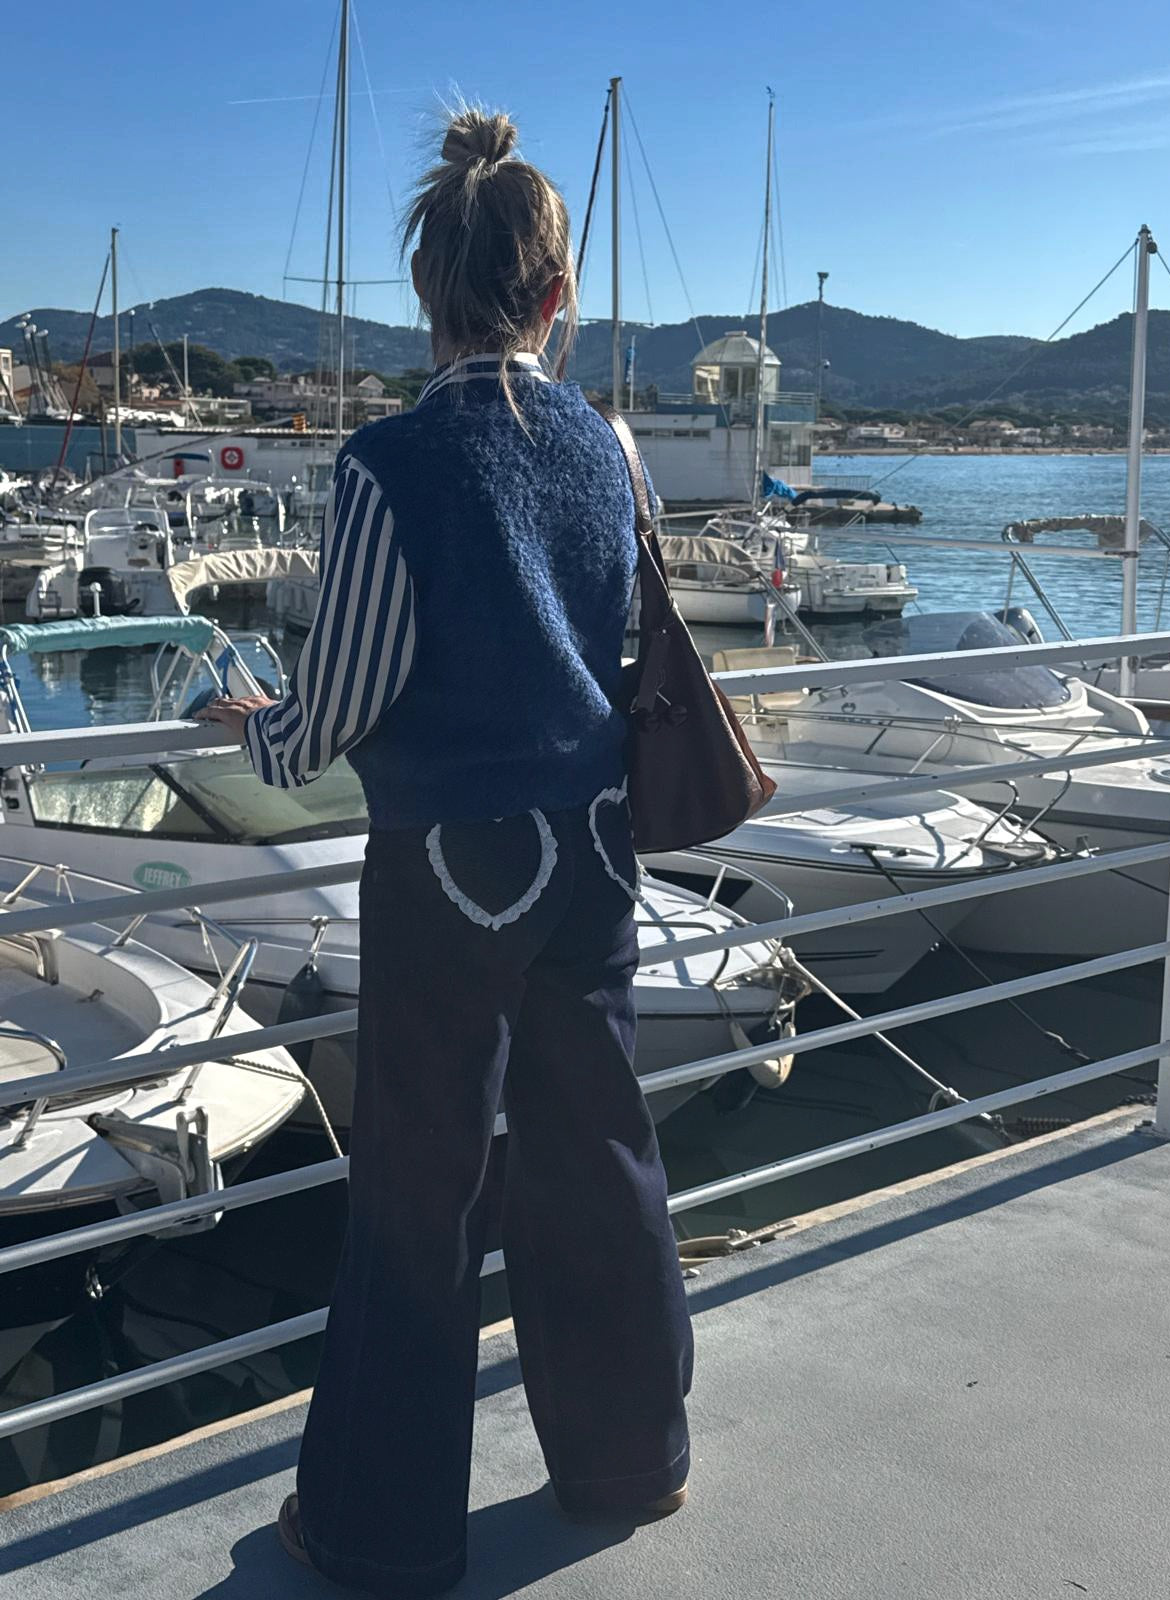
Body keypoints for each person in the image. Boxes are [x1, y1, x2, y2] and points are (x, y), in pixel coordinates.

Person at [198, 105, 693, 1598]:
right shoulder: (610, 449)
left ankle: (378, 1529)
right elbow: (626, 650)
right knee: (598, 1152)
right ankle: (630, 1458)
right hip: (593, 851)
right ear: (557, 295)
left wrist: (258, 729)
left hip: (450, 871)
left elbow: (342, 702)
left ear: (428, 293)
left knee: (423, 1190)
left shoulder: (389, 464)